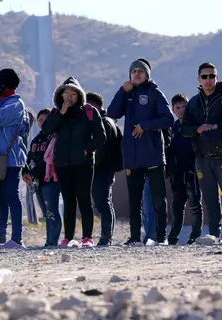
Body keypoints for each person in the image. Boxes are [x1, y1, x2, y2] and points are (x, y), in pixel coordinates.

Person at [181, 63, 222, 245]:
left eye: (212, 76)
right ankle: (214, 234)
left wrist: (217, 126)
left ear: (216, 78)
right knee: (209, 197)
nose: (208, 80)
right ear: (199, 80)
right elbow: (184, 128)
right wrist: (197, 129)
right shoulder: (194, 102)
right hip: (202, 156)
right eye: (204, 77)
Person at [107, 59, 172, 246]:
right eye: (133, 71)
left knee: (159, 199)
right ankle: (135, 237)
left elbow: (168, 119)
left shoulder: (154, 93)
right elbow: (112, 113)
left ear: (147, 74)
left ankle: (161, 237)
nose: (137, 74)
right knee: (134, 200)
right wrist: (122, 91)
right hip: (132, 157)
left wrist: (146, 125)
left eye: (140, 71)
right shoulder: (127, 95)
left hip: (152, 155)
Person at [42, 77, 106, 248]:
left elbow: (101, 136)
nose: (69, 96)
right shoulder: (56, 113)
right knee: (68, 201)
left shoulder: (89, 111)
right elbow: (46, 129)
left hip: (83, 163)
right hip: (63, 164)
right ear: (60, 95)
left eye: (73, 93)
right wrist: (62, 112)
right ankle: (68, 237)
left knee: (84, 199)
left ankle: (87, 237)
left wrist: (87, 149)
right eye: (66, 93)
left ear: (79, 95)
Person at [0, 68, 31, 249]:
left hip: (10, 160)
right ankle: (0, 239)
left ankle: (17, 239)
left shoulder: (15, 104)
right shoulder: (1, 102)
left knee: (11, 196)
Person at [86, 92, 123, 246]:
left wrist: (90, 164)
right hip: (103, 168)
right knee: (103, 202)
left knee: (103, 202)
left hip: (103, 169)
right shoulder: (104, 121)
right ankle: (106, 237)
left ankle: (106, 238)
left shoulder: (105, 122)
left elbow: (101, 148)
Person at [167, 93, 203, 245]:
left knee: (195, 205)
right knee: (176, 207)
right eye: (178, 108)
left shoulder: (194, 124)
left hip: (192, 172)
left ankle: (195, 237)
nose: (181, 110)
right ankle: (173, 237)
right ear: (173, 110)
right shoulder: (174, 127)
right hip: (177, 174)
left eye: (184, 106)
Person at [24, 108, 63, 247]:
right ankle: (49, 240)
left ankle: (54, 240)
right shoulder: (36, 139)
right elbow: (29, 158)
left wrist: (35, 171)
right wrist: (26, 171)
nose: (42, 122)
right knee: (46, 213)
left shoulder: (53, 137)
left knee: (52, 210)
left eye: (46, 120)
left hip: (51, 179)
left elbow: (48, 159)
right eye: (40, 120)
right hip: (37, 180)